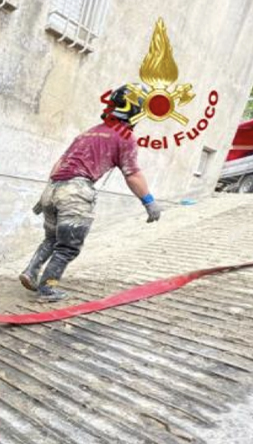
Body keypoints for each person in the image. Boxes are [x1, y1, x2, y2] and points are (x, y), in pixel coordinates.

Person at [19, 84, 162, 302]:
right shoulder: (125, 137)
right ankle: (47, 288)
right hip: (76, 193)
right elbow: (132, 174)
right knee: (68, 246)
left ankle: (31, 271)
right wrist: (149, 202)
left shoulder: (88, 132)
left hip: (53, 188)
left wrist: (45, 195)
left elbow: (60, 164)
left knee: (51, 238)